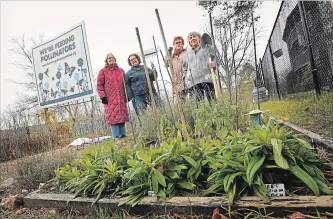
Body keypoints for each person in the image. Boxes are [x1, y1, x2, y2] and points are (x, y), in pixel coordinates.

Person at [97, 53, 129, 140]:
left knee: (122, 115)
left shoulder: (121, 71)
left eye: (112, 57)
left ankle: (123, 134)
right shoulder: (103, 71)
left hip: (121, 97)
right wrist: (103, 96)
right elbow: (99, 85)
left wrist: (127, 95)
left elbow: (126, 84)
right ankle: (116, 135)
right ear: (106, 60)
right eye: (109, 58)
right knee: (113, 116)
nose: (111, 59)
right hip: (109, 98)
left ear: (115, 59)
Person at [182, 31, 216, 101]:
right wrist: (185, 78)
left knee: (212, 100)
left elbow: (214, 58)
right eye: (190, 38)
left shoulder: (206, 48)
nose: (192, 39)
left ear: (199, 38)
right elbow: (185, 67)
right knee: (200, 103)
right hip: (194, 81)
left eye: (194, 36)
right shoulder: (187, 54)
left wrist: (214, 63)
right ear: (189, 41)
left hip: (207, 78)